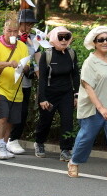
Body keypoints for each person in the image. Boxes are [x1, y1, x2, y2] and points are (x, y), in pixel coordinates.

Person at [68, 26, 107, 181]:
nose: (105, 42)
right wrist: (101, 108)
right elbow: (87, 86)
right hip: (95, 107)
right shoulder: (90, 62)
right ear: (94, 43)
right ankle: (74, 162)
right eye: (101, 40)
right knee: (86, 137)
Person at [34, 26, 79, 161]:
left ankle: (66, 149)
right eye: (60, 37)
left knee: (67, 122)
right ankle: (39, 142)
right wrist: (42, 98)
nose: (64, 40)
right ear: (54, 38)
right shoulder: (46, 55)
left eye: (67, 37)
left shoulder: (71, 54)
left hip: (66, 93)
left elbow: (75, 75)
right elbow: (41, 78)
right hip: (49, 93)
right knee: (45, 121)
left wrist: (76, 94)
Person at [0, 19, 29, 159]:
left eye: (15, 31)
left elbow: (27, 65)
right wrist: (8, 63)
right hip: (0, 87)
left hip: (16, 90)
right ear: (4, 30)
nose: (12, 33)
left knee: (12, 120)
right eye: (9, 31)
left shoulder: (22, 46)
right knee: (3, 116)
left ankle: (4, 145)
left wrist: (23, 66)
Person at [8, 9, 41, 154]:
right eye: (25, 24)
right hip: (10, 79)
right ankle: (4, 139)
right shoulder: (11, 37)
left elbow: (38, 61)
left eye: (30, 24)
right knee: (8, 111)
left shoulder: (34, 39)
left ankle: (14, 139)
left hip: (25, 81)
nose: (27, 27)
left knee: (22, 111)